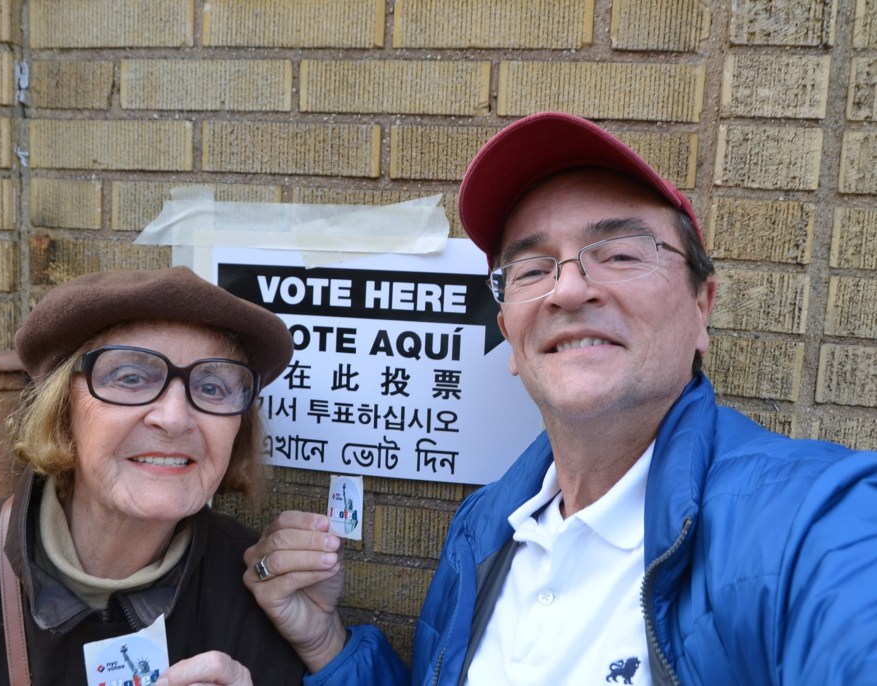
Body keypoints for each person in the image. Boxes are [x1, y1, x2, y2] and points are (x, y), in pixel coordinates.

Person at [240, 112, 877, 685]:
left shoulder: (811, 524)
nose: (568, 290)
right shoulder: (484, 529)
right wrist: (326, 645)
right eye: (533, 268)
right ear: (509, 337)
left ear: (701, 306)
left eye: (620, 254)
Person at [0, 267, 307, 685]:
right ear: (63, 410)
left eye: (212, 387)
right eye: (131, 378)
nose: (174, 419)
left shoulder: (263, 598)